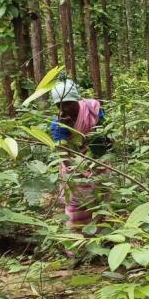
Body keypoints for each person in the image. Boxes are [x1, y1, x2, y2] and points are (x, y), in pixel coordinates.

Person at [49, 79, 107, 228]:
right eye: (60, 105)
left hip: (97, 161)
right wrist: (78, 172)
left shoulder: (92, 109)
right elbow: (64, 154)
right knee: (77, 205)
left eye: (69, 104)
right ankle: (77, 241)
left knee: (100, 201)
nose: (65, 109)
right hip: (73, 167)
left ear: (77, 100)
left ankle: (101, 237)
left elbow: (103, 136)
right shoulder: (58, 124)